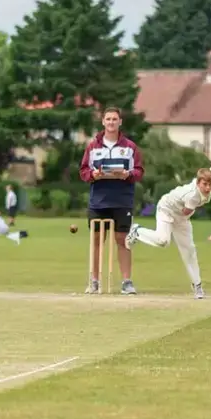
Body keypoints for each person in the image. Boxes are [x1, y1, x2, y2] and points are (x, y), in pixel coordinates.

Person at [125, 145, 211, 299]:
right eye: (205, 184)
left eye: (210, 184)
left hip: (181, 217)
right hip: (167, 210)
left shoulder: (208, 179)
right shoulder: (193, 196)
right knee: (163, 241)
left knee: (189, 251)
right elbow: (187, 211)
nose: (208, 187)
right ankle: (137, 231)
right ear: (198, 183)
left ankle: (197, 286)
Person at [79, 106, 144, 295]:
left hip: (122, 200)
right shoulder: (93, 146)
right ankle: (94, 281)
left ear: (120, 122)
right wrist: (94, 174)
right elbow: (83, 171)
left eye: (114, 119)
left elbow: (139, 171)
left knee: (122, 240)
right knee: (97, 240)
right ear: (103, 122)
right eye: (108, 119)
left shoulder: (129, 147)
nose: (111, 122)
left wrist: (127, 174)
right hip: (98, 201)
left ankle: (126, 282)